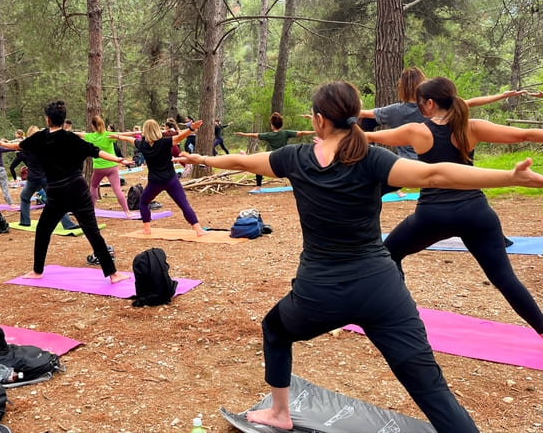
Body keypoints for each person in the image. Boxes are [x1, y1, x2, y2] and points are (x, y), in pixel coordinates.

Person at [176, 81, 543, 432]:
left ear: (319, 119)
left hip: (319, 293)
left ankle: (279, 413)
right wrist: (507, 176)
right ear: (354, 115)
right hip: (382, 291)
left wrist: (200, 157)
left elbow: (243, 162)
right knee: (431, 390)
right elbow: (433, 174)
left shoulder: (294, 159)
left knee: (275, 329)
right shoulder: (371, 158)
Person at [365, 76, 543, 337]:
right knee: (504, 278)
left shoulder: (418, 131)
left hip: (432, 216)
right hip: (476, 213)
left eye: (419, 103)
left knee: (389, 254)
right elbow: (526, 134)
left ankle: (401, 314)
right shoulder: (472, 127)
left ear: (429, 103)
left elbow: (367, 135)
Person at [0, 101, 132, 283]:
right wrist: (119, 160)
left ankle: (37, 271)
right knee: (91, 231)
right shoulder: (70, 138)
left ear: (47, 119)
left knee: (43, 230)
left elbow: (18, 146)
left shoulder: (40, 138)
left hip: (56, 191)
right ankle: (113, 274)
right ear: (63, 119)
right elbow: (95, 152)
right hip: (77, 188)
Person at [360, 66, 525, 196]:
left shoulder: (394, 110)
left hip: (408, 167)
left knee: (373, 189)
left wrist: (345, 108)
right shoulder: (440, 107)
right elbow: (471, 102)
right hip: (437, 164)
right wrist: (501, 96)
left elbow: (364, 115)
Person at [113, 119, 206, 236]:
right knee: (184, 205)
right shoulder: (165, 142)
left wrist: (116, 136)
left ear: (145, 131)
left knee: (143, 202)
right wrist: (191, 129)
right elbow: (180, 137)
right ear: (157, 129)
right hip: (171, 180)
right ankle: (198, 229)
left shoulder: (142, 144)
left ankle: (147, 228)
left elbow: (128, 139)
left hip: (155, 182)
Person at [0, 125, 78, 230]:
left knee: (25, 198)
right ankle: (68, 224)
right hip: (45, 178)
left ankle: (25, 221)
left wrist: (0, 143)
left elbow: (13, 146)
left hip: (33, 179)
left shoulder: (26, 146)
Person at [235, 112, 315, 187]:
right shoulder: (285, 133)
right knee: (296, 168)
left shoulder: (269, 135)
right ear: (281, 125)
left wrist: (244, 134)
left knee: (258, 165)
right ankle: (302, 184)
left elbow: (254, 135)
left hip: (274, 160)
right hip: (285, 159)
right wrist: (314, 131)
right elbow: (301, 133)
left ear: (272, 125)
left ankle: (258, 187)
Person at [75, 116, 132, 217]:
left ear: (93, 126)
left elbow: (77, 134)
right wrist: (138, 133)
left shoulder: (90, 136)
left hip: (99, 168)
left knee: (93, 186)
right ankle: (127, 211)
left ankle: (91, 210)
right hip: (112, 167)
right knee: (117, 189)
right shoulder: (108, 135)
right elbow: (123, 135)